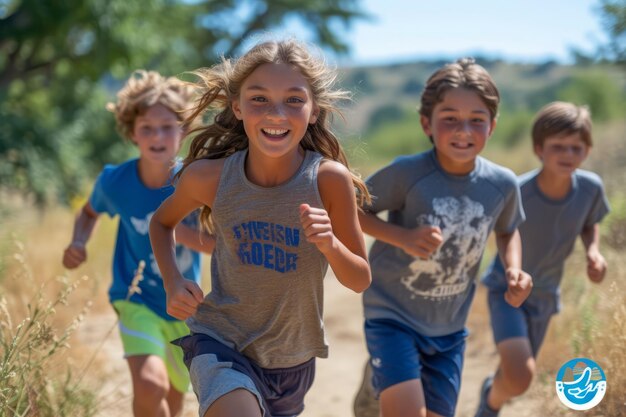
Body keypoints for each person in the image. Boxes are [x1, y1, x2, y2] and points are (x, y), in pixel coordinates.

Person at [149, 39, 372, 417]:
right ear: (237, 107)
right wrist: (173, 280)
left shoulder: (328, 181)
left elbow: (360, 279)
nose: (276, 113)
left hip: (292, 360)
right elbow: (161, 222)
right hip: (221, 343)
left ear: (314, 110)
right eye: (259, 99)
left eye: (294, 100)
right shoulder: (210, 178)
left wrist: (331, 244)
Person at [352, 58, 533, 417]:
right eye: (449, 118)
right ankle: (382, 380)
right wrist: (401, 236)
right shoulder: (407, 173)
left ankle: (377, 381)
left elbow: (507, 228)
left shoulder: (502, 184)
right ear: (426, 124)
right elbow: (352, 210)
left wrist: (515, 269)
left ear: (492, 126)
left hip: (449, 327)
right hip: (392, 315)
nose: (463, 129)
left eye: (476, 120)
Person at [62, 70, 214, 417]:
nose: (157, 136)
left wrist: (174, 229)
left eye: (167, 126)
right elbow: (87, 213)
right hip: (133, 299)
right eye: (147, 127)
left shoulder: (195, 182)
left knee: (175, 399)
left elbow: (219, 246)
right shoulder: (115, 182)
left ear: (184, 131)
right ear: (132, 133)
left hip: (183, 304)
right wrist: (79, 242)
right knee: (150, 386)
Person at [474, 101, 610, 417]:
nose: (567, 155)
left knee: (514, 378)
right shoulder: (518, 190)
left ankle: (490, 397)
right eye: (558, 146)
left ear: (587, 151)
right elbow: (504, 233)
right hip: (506, 292)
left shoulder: (590, 189)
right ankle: (489, 408)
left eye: (576, 148)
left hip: (546, 295)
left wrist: (593, 251)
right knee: (521, 375)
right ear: (539, 148)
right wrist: (514, 272)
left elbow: (590, 222)